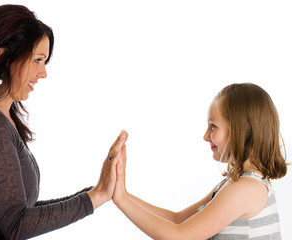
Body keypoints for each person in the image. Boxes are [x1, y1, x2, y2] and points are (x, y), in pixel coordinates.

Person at [0, 4, 128, 240]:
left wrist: (96, 191)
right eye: (37, 60)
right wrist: (96, 195)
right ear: (4, 57)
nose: (43, 73)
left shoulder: (1, 120)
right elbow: (17, 225)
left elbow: (20, 212)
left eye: (44, 61)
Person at [112, 83, 288, 239]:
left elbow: (178, 236)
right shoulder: (234, 183)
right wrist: (123, 194)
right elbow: (178, 220)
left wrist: (121, 200)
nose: (205, 136)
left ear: (239, 130)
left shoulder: (246, 189)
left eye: (213, 126)